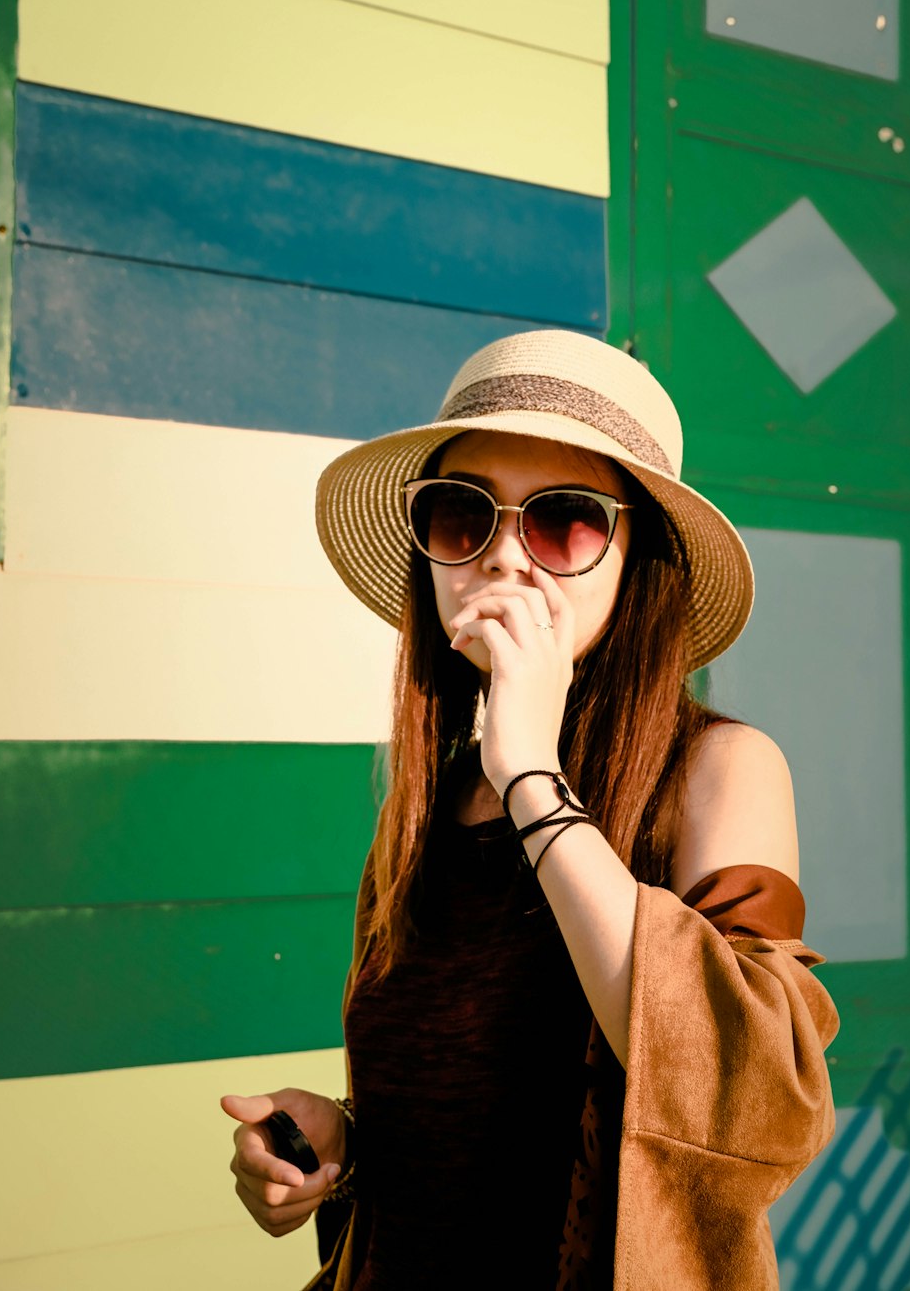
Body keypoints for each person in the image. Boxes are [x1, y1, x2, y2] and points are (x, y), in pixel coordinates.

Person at [221, 329, 839, 1290]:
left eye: (563, 521)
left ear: (639, 563)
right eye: (463, 515)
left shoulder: (719, 770)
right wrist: (343, 1151)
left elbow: (756, 1106)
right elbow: (478, 1133)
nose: (505, 557)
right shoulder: (429, 808)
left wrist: (532, 776)